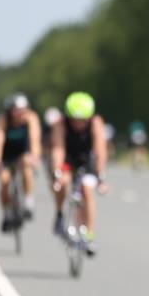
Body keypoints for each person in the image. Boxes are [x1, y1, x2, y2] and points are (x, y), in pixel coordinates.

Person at [50, 92, 109, 255]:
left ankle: (89, 234)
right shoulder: (60, 123)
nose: (78, 124)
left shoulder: (96, 122)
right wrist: (57, 173)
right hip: (67, 158)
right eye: (74, 120)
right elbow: (58, 149)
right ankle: (59, 214)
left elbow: (100, 149)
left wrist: (101, 175)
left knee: (87, 190)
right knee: (63, 182)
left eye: (82, 120)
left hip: (87, 159)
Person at [0, 94, 41, 232]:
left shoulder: (31, 118)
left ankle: (28, 200)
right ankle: (6, 212)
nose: (19, 114)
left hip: (23, 153)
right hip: (7, 155)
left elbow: (35, 139)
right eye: (16, 111)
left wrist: (35, 158)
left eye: (22, 110)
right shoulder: (3, 120)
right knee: (4, 180)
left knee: (26, 164)